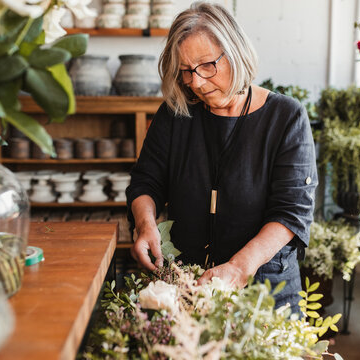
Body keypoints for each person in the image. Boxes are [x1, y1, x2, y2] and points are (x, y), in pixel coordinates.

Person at [127, 2, 317, 310]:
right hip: (187, 285)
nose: (196, 82)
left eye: (207, 66)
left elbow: (290, 213)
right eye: (186, 71)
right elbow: (146, 181)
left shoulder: (285, 117)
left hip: (265, 292)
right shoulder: (176, 114)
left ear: (236, 53)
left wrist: (240, 267)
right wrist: (145, 223)